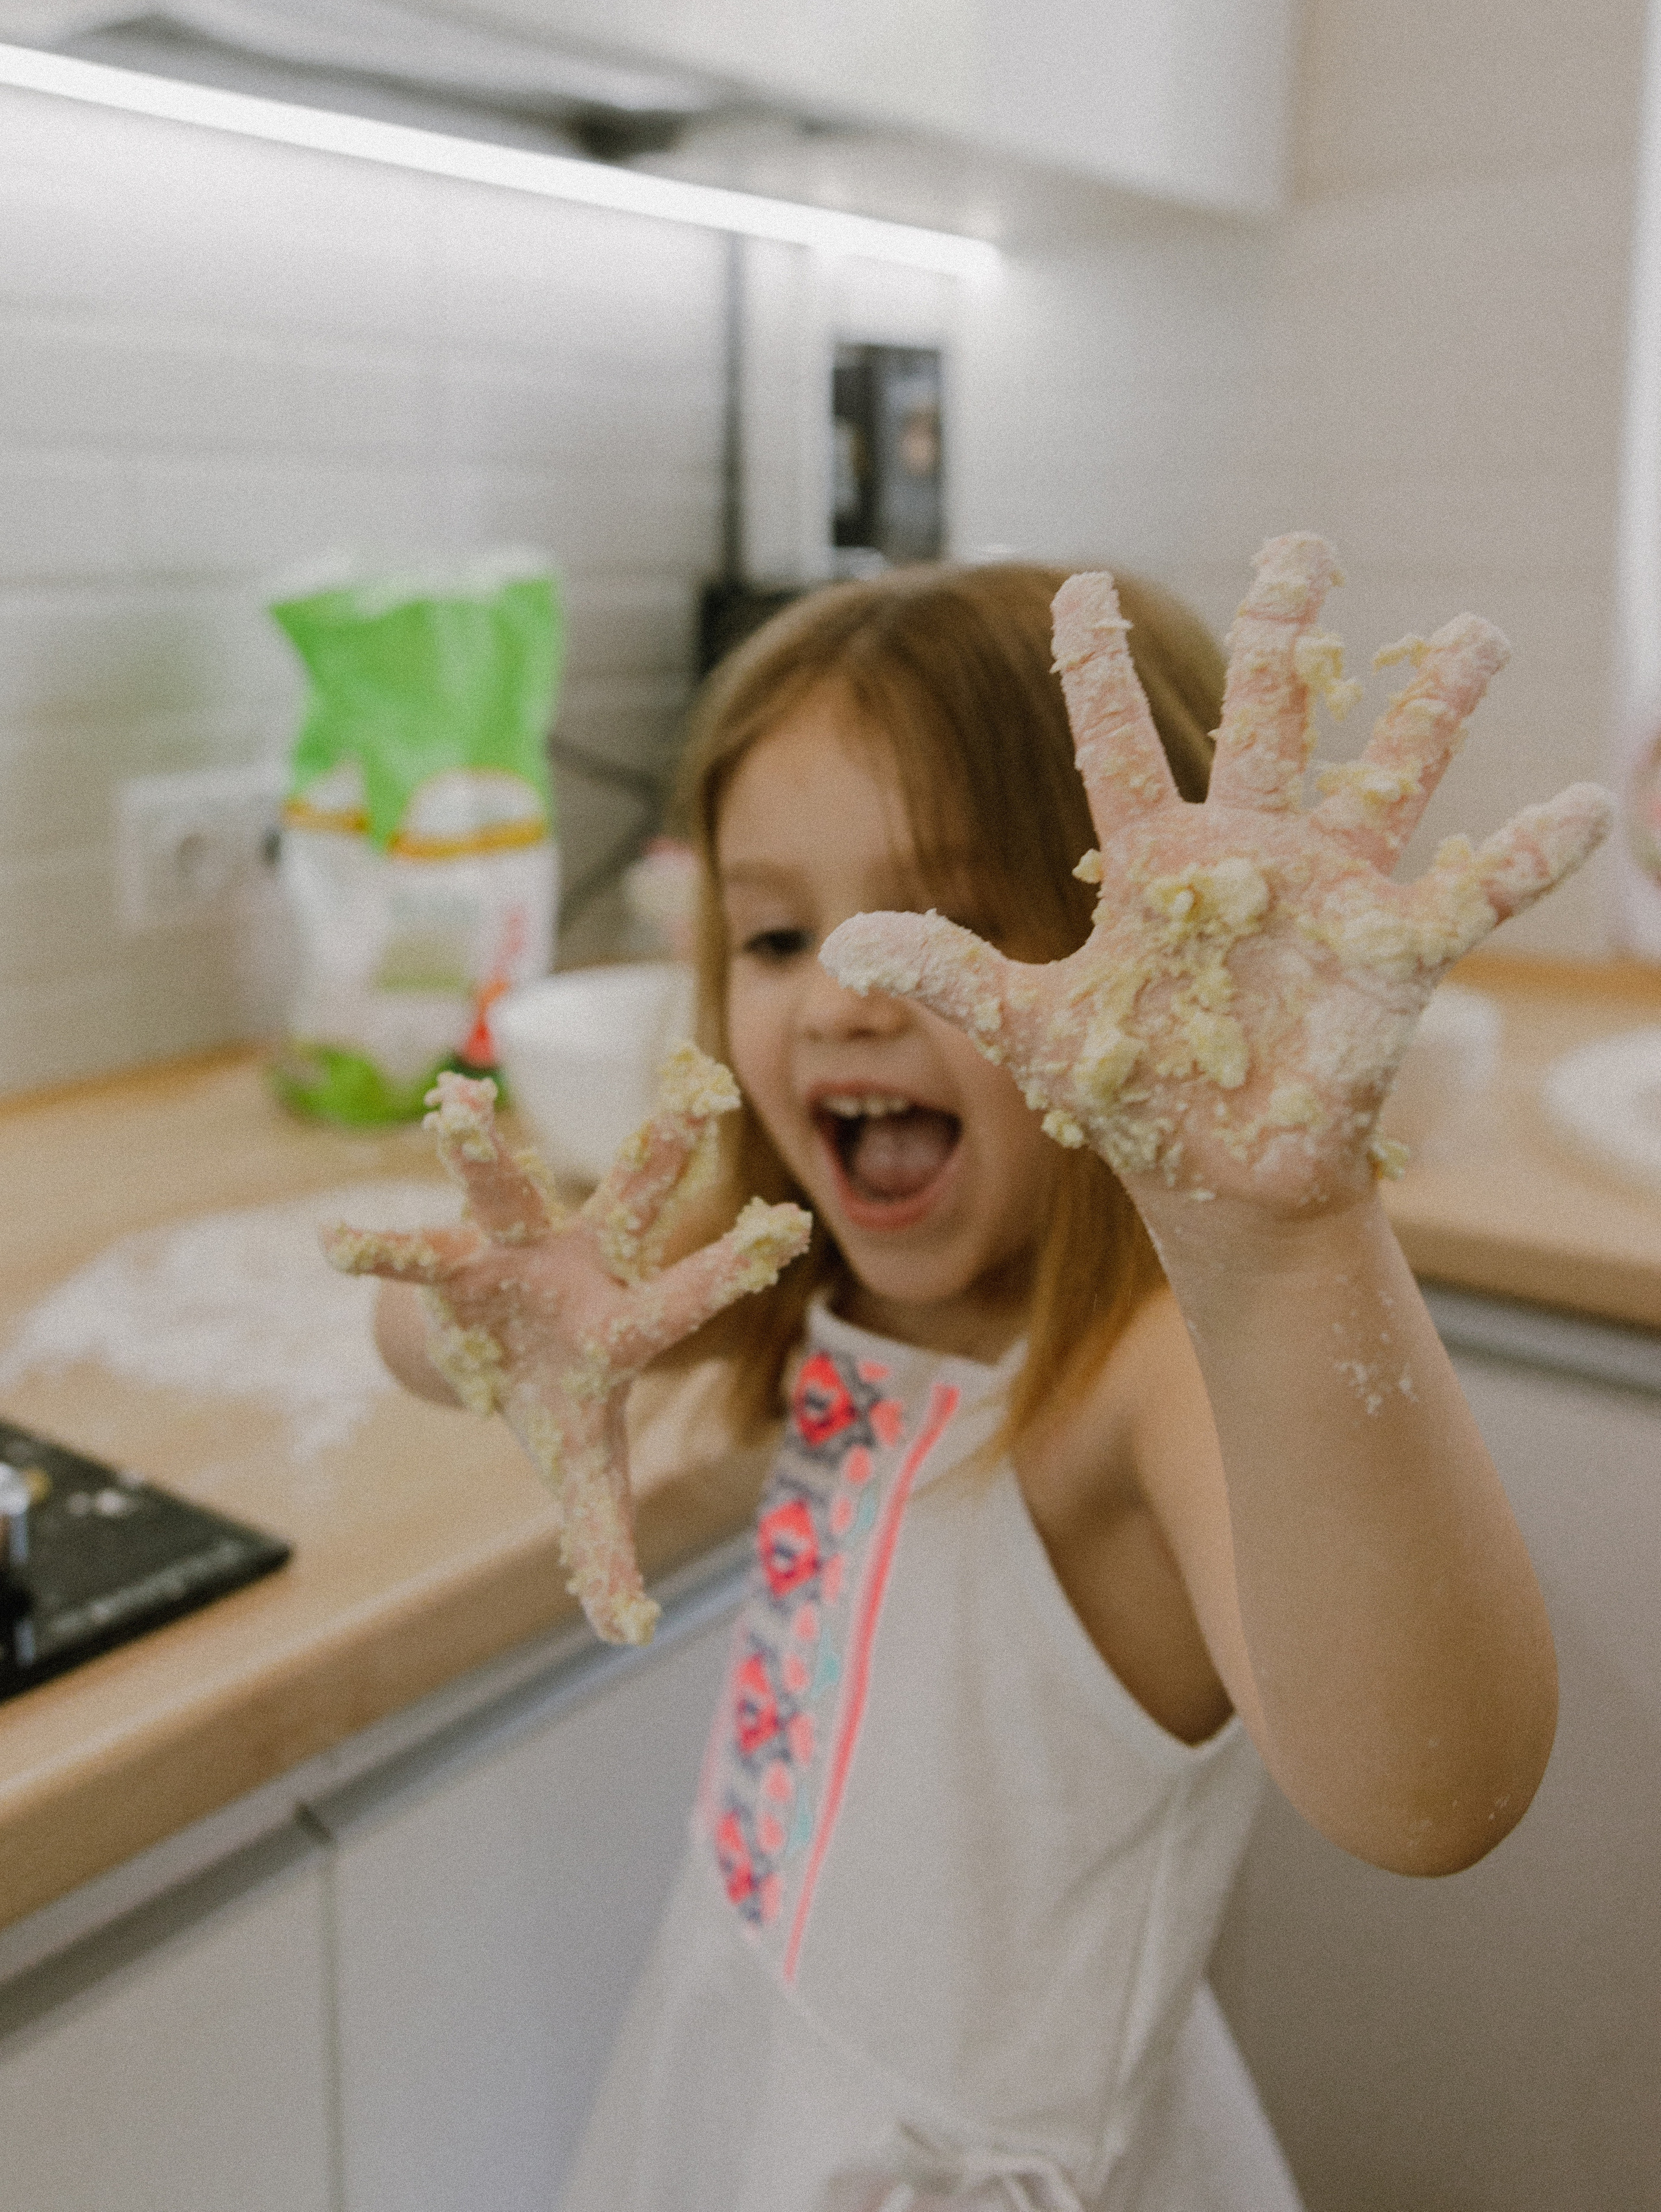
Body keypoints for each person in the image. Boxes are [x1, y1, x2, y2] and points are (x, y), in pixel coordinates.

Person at [354, 541, 1610, 2212]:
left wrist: (1291, 1254)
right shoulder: (787, 1269)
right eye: (781, 936)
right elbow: (428, 1339)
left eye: (944, 925)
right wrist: (485, 1322)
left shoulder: (1142, 1376)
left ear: (1170, 975)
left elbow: (1432, 1786)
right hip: (752, 2062)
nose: (848, 998)